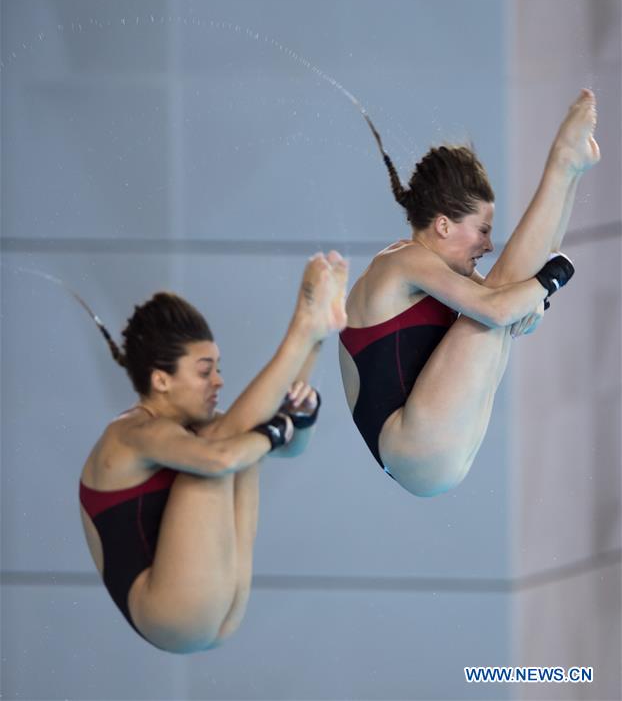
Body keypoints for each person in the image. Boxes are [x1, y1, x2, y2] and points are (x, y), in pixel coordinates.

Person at [79, 251, 348, 653]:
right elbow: (220, 459)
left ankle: (313, 334)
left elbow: (289, 446)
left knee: (242, 437)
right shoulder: (132, 434)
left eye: (218, 368)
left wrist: (298, 417)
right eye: (205, 371)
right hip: (167, 611)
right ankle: (303, 328)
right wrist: (277, 428)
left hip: (218, 607)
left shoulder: (196, 431)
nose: (219, 381)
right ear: (161, 380)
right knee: (226, 446)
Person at [339, 90, 599, 496]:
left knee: (506, 290)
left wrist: (533, 292)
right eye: (482, 230)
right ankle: (563, 164)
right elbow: (499, 308)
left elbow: (511, 304)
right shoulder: (403, 261)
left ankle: (570, 169)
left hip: (425, 454)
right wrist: (552, 278)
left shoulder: (433, 270)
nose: (488, 245)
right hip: (413, 444)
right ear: (443, 225)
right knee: (500, 298)